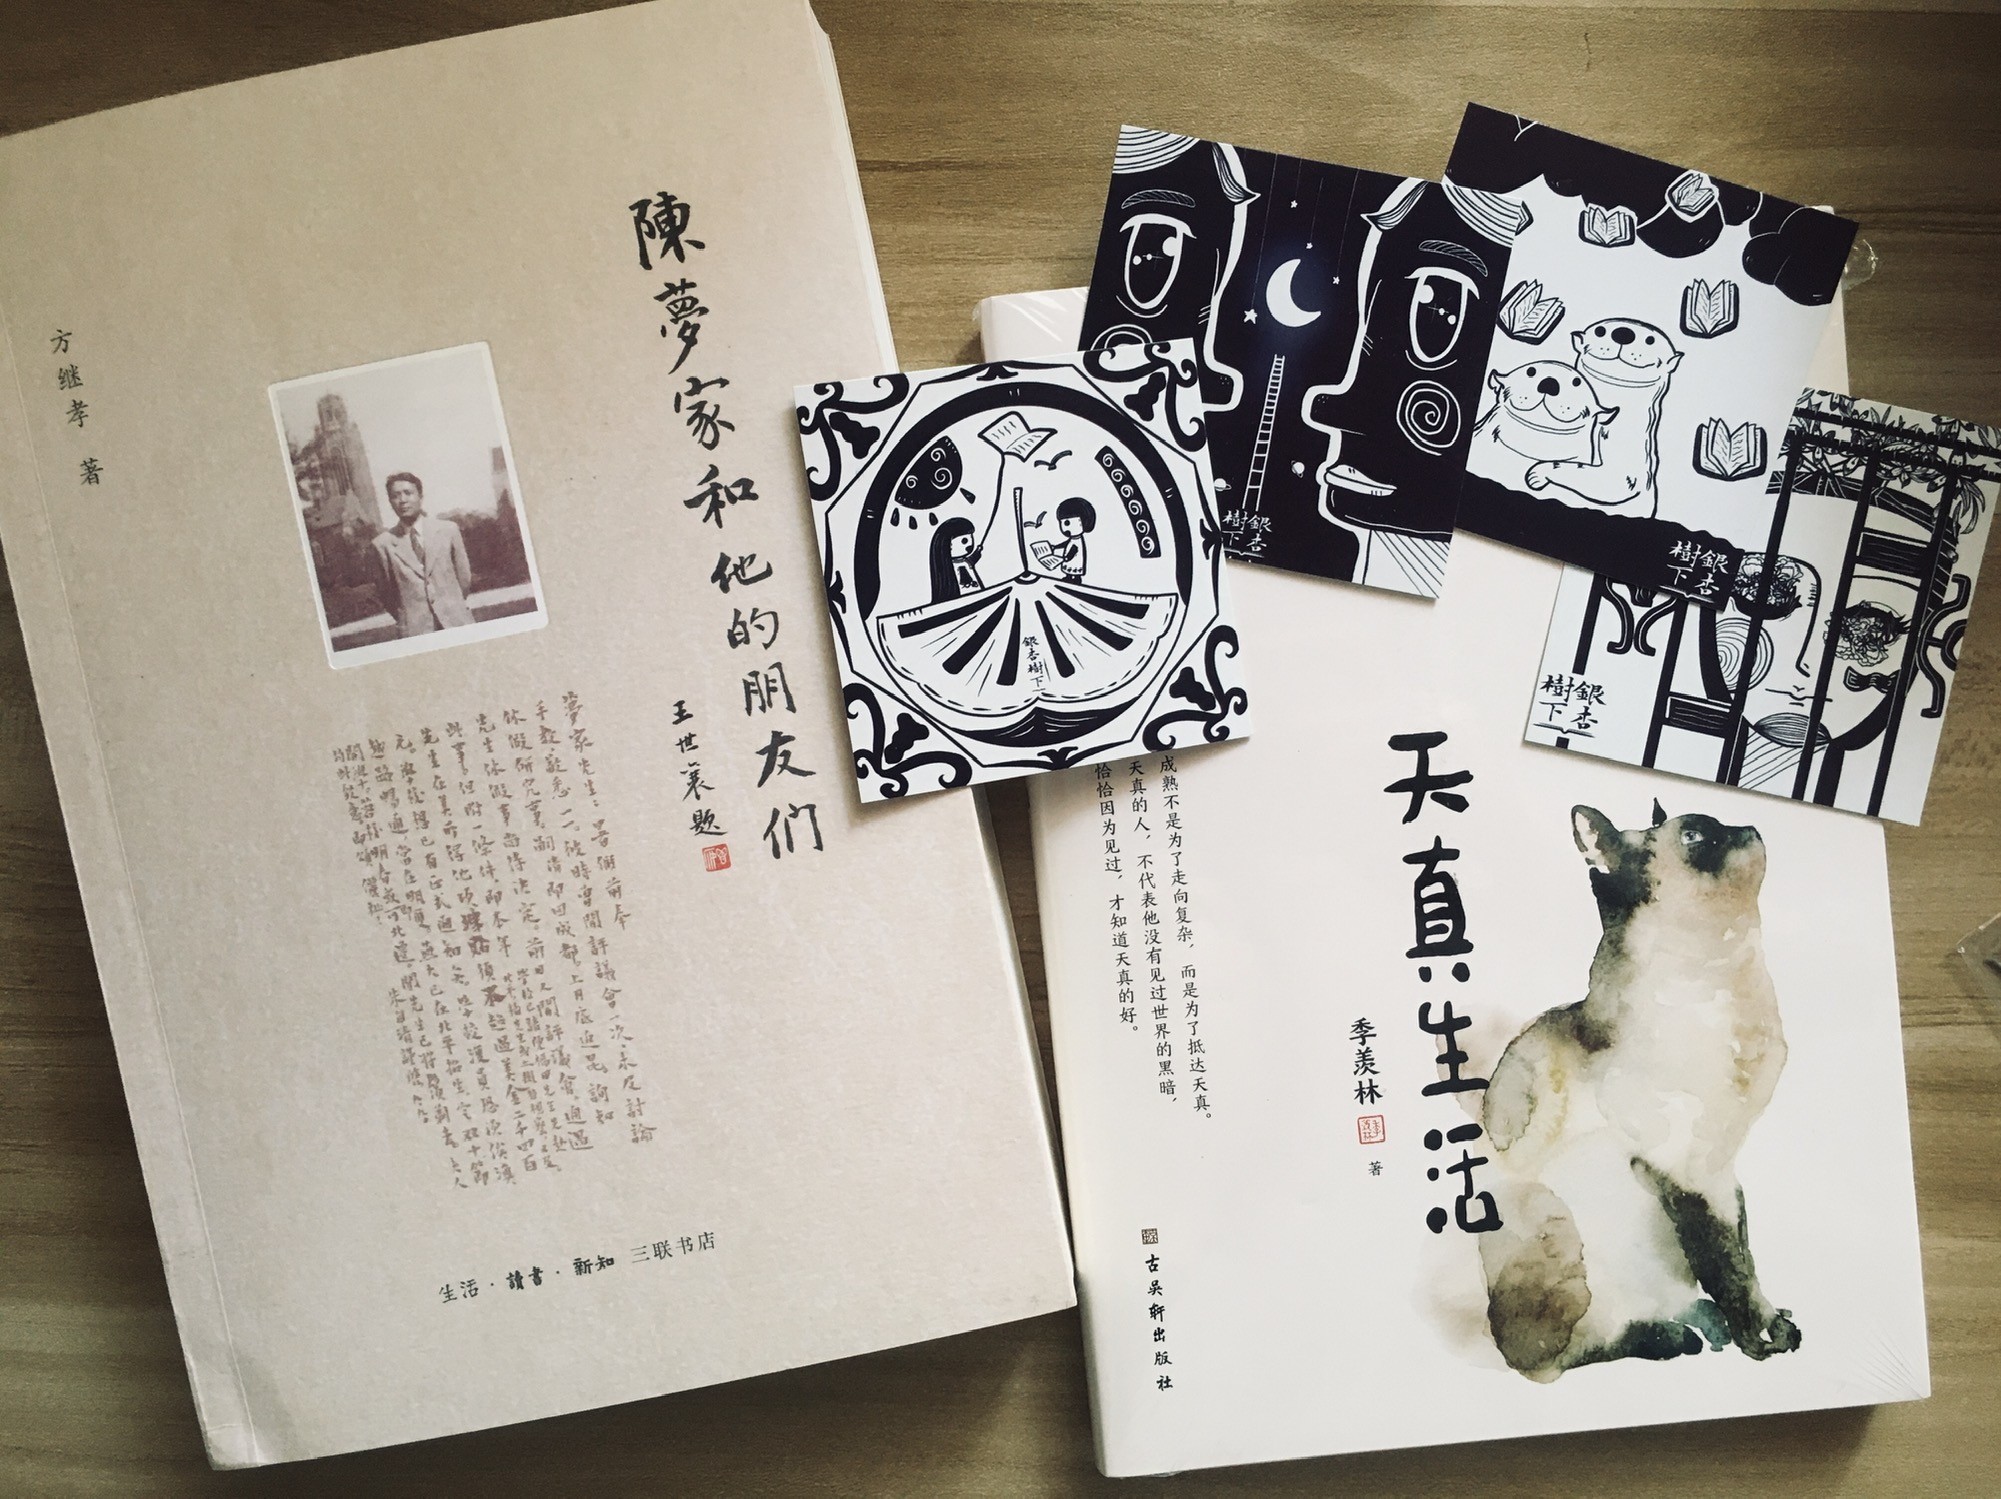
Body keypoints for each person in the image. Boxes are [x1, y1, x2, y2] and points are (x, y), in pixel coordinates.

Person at [369, 471, 475, 636]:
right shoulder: (382, 544)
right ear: (390, 502)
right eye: (395, 496)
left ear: (420, 496)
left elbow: (464, 578)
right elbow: (386, 594)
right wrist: (408, 617)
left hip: (457, 622)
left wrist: (452, 605)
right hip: (416, 631)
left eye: (408, 493)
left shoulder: (448, 530)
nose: (402, 500)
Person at [928, 516, 985, 603]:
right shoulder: (948, 567)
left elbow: (973, 559)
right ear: (948, 545)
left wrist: (978, 550)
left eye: (971, 539)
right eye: (964, 541)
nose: (970, 545)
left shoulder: (966, 561)